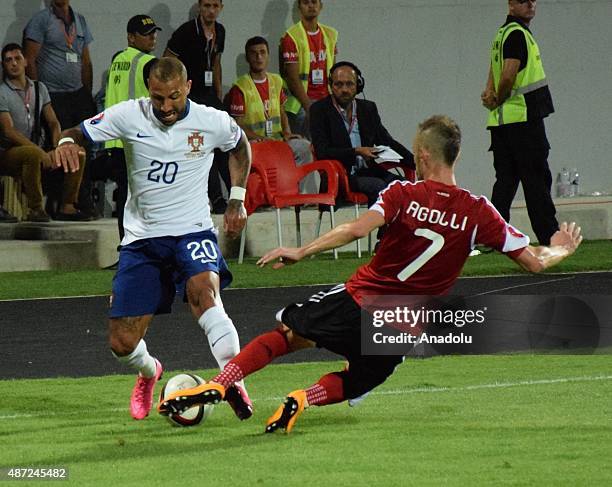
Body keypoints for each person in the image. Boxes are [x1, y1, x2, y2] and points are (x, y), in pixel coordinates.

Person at [158, 115, 582, 433]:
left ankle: (220, 382)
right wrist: (561, 248)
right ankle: (302, 399)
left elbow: (355, 229)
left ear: (422, 156)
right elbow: (533, 260)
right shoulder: (479, 211)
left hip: (361, 301)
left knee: (286, 337)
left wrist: (302, 250)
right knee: (358, 378)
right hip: (405, 327)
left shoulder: (402, 192)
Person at [53, 58, 254, 421]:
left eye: (174, 97)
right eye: (158, 98)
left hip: (193, 229)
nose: (165, 107)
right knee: (122, 342)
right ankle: (150, 372)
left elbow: (240, 147)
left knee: (204, 294)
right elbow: (77, 131)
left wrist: (237, 198)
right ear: (149, 91)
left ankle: (233, 380)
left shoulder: (211, 121)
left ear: (187, 87)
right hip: (143, 240)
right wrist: (67, 141)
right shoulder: (129, 115)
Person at [481, 0, 558, 245]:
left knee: (506, 181)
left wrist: (490, 94)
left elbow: (494, 72)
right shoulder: (517, 34)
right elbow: (508, 73)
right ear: (511, 5)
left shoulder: (501, 34)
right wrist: (498, 98)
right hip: (523, 120)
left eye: (533, 0)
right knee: (536, 179)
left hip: (503, 123)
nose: (531, 4)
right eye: (523, 1)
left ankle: (494, 236)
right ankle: (549, 236)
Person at [23, 0, 97, 218]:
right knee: (60, 148)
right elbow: (30, 59)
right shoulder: (41, 20)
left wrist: (86, 95)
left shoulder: (80, 21)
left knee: (83, 147)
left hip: (77, 95)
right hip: (53, 95)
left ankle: (80, 199)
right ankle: (60, 203)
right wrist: (39, 95)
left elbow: (86, 61)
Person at [0, 43, 87, 221]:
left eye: (18, 58)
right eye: (9, 60)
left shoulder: (40, 88)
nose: (14, 63)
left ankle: (67, 206)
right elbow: (8, 131)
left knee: (77, 153)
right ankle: (36, 209)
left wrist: (58, 147)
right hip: (9, 152)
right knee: (32, 154)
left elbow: (53, 122)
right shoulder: (2, 92)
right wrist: (39, 152)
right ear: (4, 65)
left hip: (38, 147)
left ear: (25, 62)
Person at [310, 62, 415, 207]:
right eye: (338, 85)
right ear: (330, 85)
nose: (344, 89)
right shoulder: (319, 110)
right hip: (340, 176)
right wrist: (356, 151)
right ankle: (378, 228)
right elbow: (322, 151)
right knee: (379, 187)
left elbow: (387, 141)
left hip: (367, 171)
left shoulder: (367, 109)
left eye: (349, 84)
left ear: (358, 86)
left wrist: (417, 163)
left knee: (404, 187)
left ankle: (392, 230)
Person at [164, 0, 230, 214]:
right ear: (199, 7)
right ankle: (216, 198)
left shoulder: (220, 30)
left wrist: (218, 93)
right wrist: (177, 94)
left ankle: (237, 194)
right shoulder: (186, 31)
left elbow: (216, 61)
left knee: (223, 143)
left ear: (221, 8)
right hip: (192, 96)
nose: (211, 10)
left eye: (215, 6)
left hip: (211, 95)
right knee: (203, 146)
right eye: (207, 6)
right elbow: (167, 60)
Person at [228, 36, 316, 193]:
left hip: (277, 139)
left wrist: (287, 132)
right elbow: (238, 124)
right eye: (254, 53)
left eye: (262, 52)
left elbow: (281, 111)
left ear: (268, 55)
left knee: (304, 147)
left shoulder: (277, 80)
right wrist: (257, 137)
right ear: (248, 58)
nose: (259, 57)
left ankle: (297, 194)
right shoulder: (240, 87)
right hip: (255, 142)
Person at [103, 15, 160, 241]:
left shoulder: (118, 60)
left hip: (116, 140)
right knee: (143, 197)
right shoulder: (149, 63)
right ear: (131, 37)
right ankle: (137, 249)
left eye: (154, 32)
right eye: (147, 34)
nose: (153, 37)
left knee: (126, 196)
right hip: (139, 140)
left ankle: (126, 247)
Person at [280, 0, 338, 138]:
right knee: (307, 146)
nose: (311, 6)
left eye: (314, 2)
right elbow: (292, 78)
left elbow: (334, 70)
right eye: (306, 2)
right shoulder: (292, 36)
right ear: (299, 7)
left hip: (326, 98)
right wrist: (309, 107)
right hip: (302, 103)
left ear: (321, 5)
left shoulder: (330, 34)